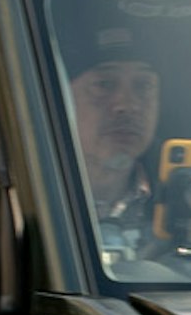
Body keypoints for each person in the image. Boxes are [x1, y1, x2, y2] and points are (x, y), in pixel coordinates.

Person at [64, 19, 164, 253]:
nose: (128, 105)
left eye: (144, 86)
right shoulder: (16, 205)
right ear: (61, 99)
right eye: (104, 84)